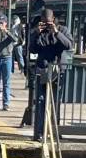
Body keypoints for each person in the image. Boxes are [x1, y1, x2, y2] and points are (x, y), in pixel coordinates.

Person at [30, 9, 73, 141]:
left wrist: (56, 32)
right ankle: (40, 132)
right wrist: (37, 33)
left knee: (55, 102)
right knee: (41, 101)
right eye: (44, 22)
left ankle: (55, 131)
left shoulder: (62, 30)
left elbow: (69, 45)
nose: (47, 24)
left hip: (58, 69)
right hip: (43, 69)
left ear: (53, 19)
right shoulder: (39, 31)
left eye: (49, 21)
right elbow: (32, 49)